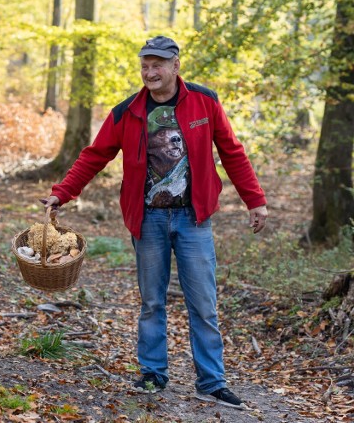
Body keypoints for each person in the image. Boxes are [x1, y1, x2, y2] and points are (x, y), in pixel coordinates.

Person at [43, 35, 268, 409]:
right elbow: (94, 156)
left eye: (158, 65)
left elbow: (232, 151)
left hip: (193, 219)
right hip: (147, 220)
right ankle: (152, 374)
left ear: (176, 66)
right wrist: (62, 192)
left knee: (204, 303)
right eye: (145, 66)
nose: (150, 72)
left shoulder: (204, 102)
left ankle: (211, 382)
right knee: (152, 301)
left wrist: (255, 200)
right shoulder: (126, 112)